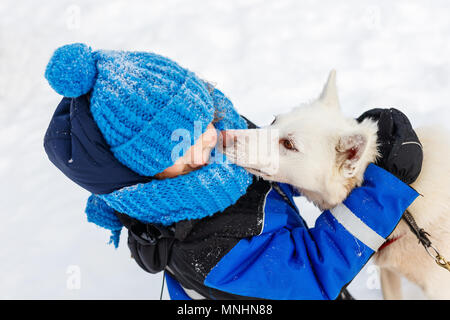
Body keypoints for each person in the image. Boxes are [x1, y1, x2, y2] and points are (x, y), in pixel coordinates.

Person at [43, 43, 422, 300]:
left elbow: (273, 157)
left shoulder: (201, 161)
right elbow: (309, 277)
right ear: (146, 175)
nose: (214, 135)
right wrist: (379, 192)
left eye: (204, 114)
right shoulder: (203, 248)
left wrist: (345, 150)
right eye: (184, 139)